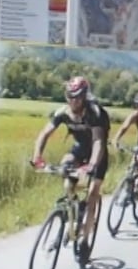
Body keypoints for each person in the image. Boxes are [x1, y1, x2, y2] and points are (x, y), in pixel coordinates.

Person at [30, 76, 110, 245]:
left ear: (84, 96)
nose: (73, 101)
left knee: (92, 195)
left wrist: (92, 165)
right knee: (65, 166)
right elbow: (45, 134)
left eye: (78, 97)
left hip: (98, 154)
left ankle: (85, 240)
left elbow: (98, 142)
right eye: (70, 97)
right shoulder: (63, 113)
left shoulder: (94, 113)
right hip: (80, 148)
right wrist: (37, 157)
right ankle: (72, 204)